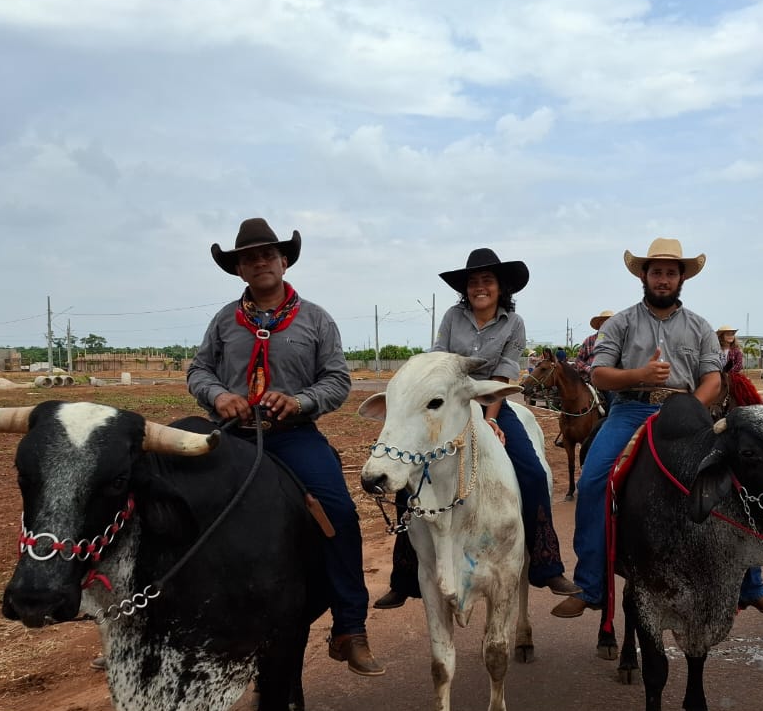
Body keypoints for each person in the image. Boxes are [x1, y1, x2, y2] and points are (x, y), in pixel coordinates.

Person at [553, 237, 763, 620]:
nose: (662, 279)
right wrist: (640, 374)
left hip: (686, 413)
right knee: (593, 483)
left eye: (670, 273)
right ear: (644, 277)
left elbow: (713, 379)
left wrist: (689, 408)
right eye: (656, 272)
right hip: (630, 410)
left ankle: (753, 586)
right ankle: (590, 586)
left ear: (682, 278)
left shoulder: (700, 326)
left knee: (737, 478)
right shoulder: (620, 323)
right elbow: (599, 374)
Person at [187, 216, 384, 676]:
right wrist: (219, 396)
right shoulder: (223, 321)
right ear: (239, 270)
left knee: (338, 513)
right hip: (232, 435)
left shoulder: (316, 319)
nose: (259, 263)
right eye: (248, 258)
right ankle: (160, 617)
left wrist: (299, 402)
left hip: (292, 435)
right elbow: (199, 371)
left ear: (284, 260)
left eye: (267, 255)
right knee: (176, 504)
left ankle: (350, 627)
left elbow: (337, 381)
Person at [372, 248, 581, 610]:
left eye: (487, 281)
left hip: (490, 400)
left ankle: (547, 564)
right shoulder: (454, 316)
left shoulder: (513, 324)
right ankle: (405, 578)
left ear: (501, 288)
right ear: (465, 289)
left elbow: (505, 371)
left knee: (531, 473)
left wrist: (492, 419)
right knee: (409, 476)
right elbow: (437, 358)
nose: (480, 288)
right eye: (473, 282)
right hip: (449, 403)